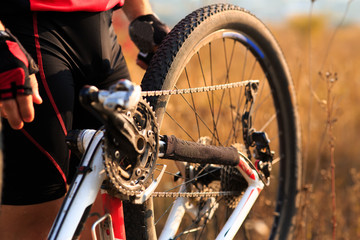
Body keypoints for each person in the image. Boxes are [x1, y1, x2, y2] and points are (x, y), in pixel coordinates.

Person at [0, 1, 168, 239]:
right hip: (33, 39)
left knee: (106, 216)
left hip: (104, 40)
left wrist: (141, 14)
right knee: (39, 217)